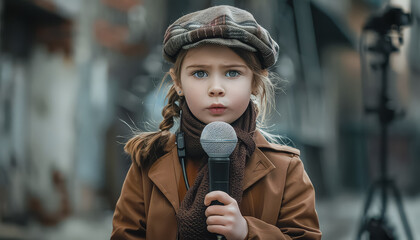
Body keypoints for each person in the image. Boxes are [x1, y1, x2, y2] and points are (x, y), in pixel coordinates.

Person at [111, 5, 322, 240]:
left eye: (232, 73)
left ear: (255, 82)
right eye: (200, 73)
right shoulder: (149, 163)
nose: (216, 88)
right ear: (178, 82)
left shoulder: (286, 170)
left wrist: (248, 232)